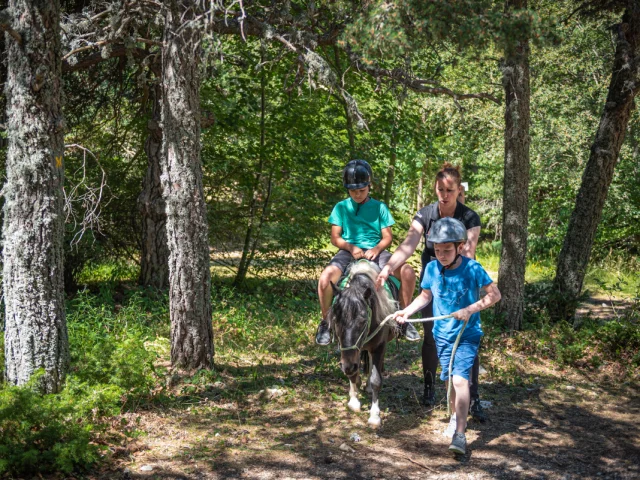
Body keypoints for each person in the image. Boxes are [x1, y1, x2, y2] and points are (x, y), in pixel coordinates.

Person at [376, 163, 487, 421]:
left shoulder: (469, 217)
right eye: (440, 189)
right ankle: (429, 387)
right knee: (431, 337)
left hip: (460, 287)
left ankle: (474, 396)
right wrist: (388, 267)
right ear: (435, 188)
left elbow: (468, 252)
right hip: (432, 283)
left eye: (450, 190)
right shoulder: (425, 214)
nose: (444, 194)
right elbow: (408, 245)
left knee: (465, 340)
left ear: (459, 190)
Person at [393, 218, 501, 455]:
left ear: (460, 246)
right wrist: (406, 311)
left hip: (467, 334)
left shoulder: (473, 268)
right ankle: (454, 417)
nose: (441, 254)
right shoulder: (431, 268)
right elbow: (425, 297)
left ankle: (460, 435)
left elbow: (495, 295)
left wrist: (470, 309)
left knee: (461, 380)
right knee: (450, 380)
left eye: (447, 250)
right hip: (441, 335)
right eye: (437, 250)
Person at [315, 159, 420, 345]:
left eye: (361, 190)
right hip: (348, 251)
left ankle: (404, 319)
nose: (357, 194)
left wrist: (377, 248)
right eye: (353, 191)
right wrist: (350, 247)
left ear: (369, 186)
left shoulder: (380, 208)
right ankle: (326, 323)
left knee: (408, 272)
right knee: (325, 279)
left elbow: (387, 236)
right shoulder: (340, 207)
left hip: (377, 251)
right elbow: (335, 237)